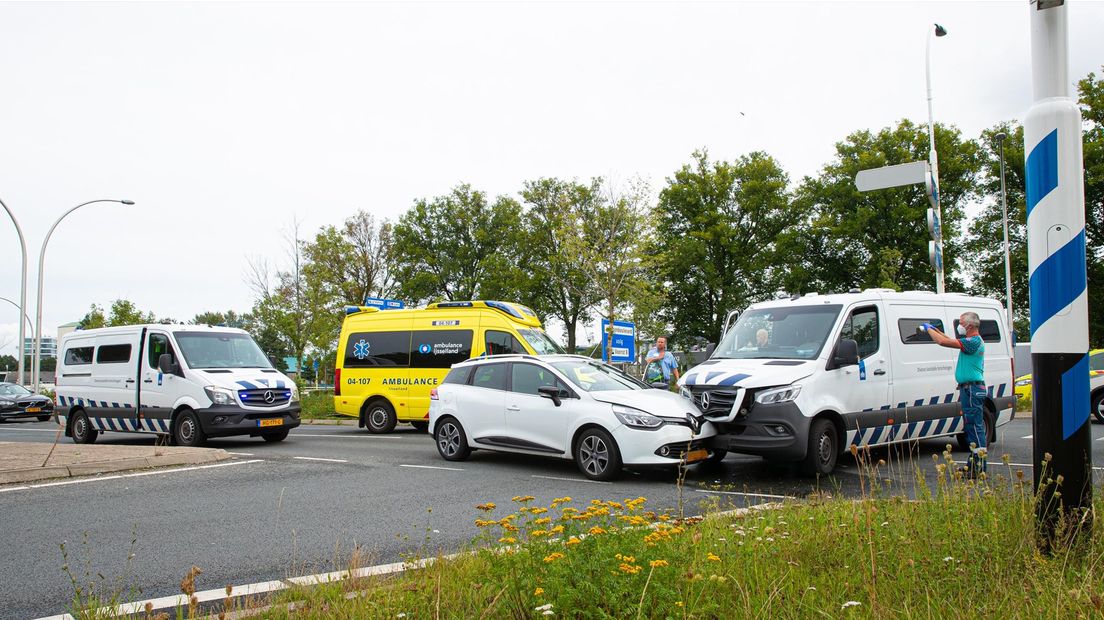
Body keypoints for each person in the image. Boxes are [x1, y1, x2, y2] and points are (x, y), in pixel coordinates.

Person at [920, 313, 987, 477]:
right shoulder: (971, 342)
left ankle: (978, 467)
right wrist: (936, 330)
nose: (960, 325)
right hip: (969, 389)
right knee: (971, 428)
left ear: (970, 326)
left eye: (962, 323)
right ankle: (974, 465)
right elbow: (949, 339)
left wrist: (929, 330)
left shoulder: (974, 342)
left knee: (974, 428)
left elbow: (943, 342)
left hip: (971, 389)